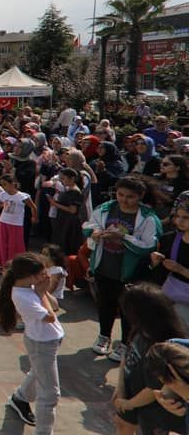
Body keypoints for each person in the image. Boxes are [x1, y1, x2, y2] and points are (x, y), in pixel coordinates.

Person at [84, 175, 163, 363]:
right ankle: (104, 335)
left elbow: (147, 246)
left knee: (129, 308)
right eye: (120, 194)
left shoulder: (147, 218)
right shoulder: (105, 208)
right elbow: (89, 224)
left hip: (131, 271)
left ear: (140, 196)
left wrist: (124, 238)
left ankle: (126, 344)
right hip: (105, 266)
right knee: (105, 303)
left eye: (130, 197)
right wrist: (95, 232)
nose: (124, 200)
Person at [0, 253, 64, 433]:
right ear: (29, 276)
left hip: (49, 341)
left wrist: (43, 292)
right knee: (49, 395)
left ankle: (20, 398)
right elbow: (49, 316)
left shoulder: (32, 287)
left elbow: (54, 305)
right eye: (42, 274)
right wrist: (40, 293)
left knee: (38, 372)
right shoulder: (22, 295)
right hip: (41, 344)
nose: (46, 277)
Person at [111, 283, 187, 435]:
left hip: (152, 407)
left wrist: (129, 403)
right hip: (129, 393)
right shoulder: (140, 330)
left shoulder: (165, 346)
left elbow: (155, 388)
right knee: (121, 424)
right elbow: (127, 355)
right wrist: (120, 389)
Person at [151, 191, 189, 325]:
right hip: (170, 293)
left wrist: (181, 270)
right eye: (178, 216)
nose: (179, 220)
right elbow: (159, 274)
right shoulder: (170, 238)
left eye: (186, 217)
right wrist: (156, 262)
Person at [0, 175, 37, 274]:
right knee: (2, 243)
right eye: (2, 184)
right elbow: (0, 204)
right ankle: (2, 264)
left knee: (14, 245)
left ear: (12, 184)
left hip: (16, 224)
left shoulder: (22, 196)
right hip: (3, 221)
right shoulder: (3, 195)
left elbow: (33, 207)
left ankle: (14, 265)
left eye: (5, 184)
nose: (3, 187)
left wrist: (34, 217)